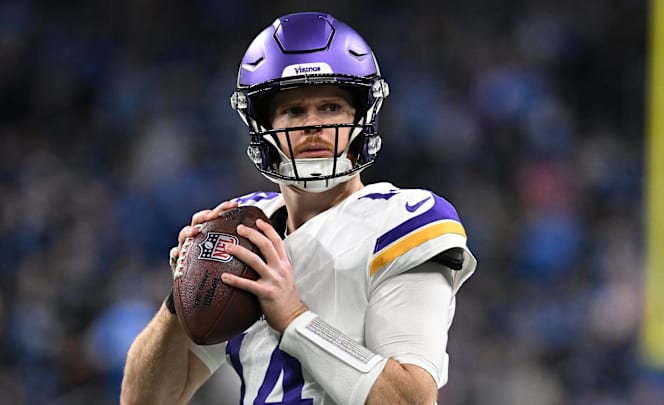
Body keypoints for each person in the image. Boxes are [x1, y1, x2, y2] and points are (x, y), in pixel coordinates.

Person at [120, 11, 476, 405]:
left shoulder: (404, 221)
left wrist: (294, 319)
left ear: (361, 117)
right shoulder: (246, 234)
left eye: (331, 107)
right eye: (293, 111)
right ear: (262, 126)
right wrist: (181, 299)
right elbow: (142, 401)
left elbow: (412, 400)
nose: (313, 125)